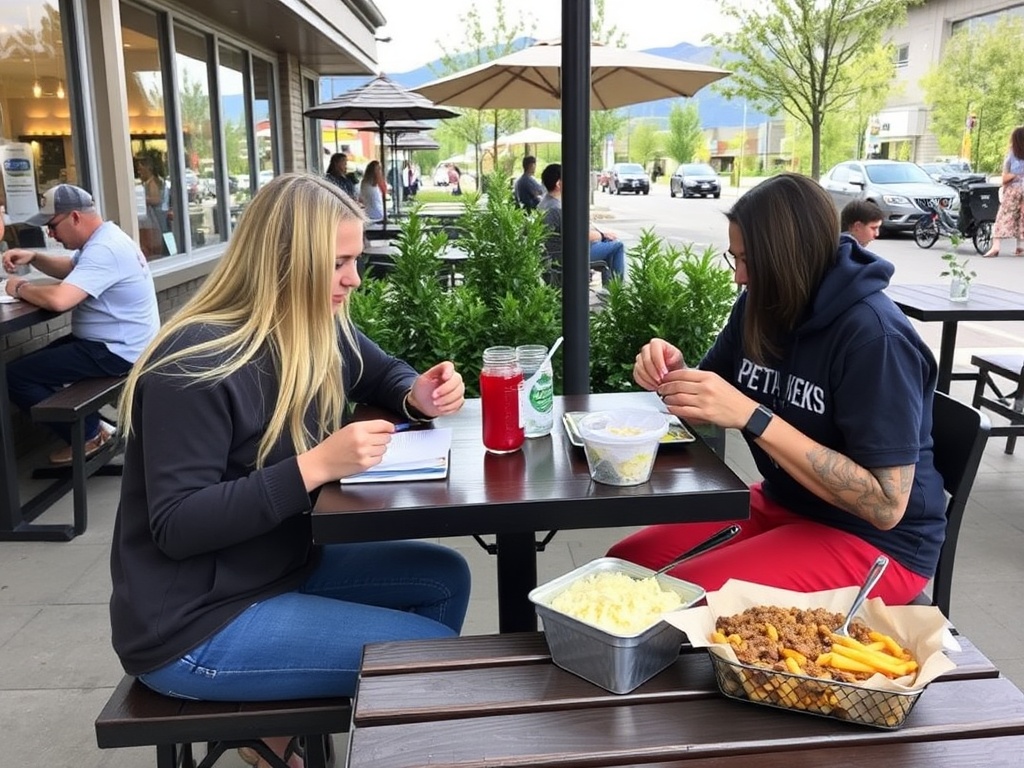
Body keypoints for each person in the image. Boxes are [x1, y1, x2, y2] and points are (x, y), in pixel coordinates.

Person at [108, 173, 471, 768]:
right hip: (193, 625)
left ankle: (333, 732)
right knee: (430, 657)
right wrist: (314, 466)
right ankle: (389, 733)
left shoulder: (310, 327)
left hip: (277, 569)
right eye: (339, 263)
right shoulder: (193, 363)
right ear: (282, 263)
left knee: (443, 575)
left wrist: (417, 394)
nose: (354, 278)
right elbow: (177, 523)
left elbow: (382, 372)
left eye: (355, 259)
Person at [607, 173, 946, 606]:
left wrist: (753, 416)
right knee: (624, 566)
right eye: (736, 259)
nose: (740, 279)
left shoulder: (874, 338)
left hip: (879, 544)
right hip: (786, 501)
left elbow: (886, 506)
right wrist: (672, 374)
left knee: (677, 602)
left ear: (792, 258)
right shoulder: (758, 307)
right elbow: (708, 406)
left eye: (750, 261)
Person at [2, 184, 160, 465]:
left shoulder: (105, 250)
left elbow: (61, 300)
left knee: (14, 377)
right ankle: (97, 429)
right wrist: (35, 257)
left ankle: (90, 434)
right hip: (116, 344)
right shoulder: (105, 238)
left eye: (52, 225)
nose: (49, 234)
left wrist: (19, 287)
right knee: (29, 369)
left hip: (115, 351)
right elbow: (72, 268)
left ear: (75, 217)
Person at [538, 163, 626, 283]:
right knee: (617, 246)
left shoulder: (544, 203)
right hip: (568, 255)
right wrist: (602, 235)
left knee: (608, 246)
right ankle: (616, 291)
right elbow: (581, 236)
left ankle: (611, 288)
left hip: (554, 253)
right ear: (559, 184)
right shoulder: (557, 209)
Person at [984, 126, 1024, 257]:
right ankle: (1020, 247)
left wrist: (1014, 176)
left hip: (1014, 190)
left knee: (1003, 216)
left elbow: (1004, 177)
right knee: (1021, 217)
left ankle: (995, 246)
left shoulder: (1011, 154)